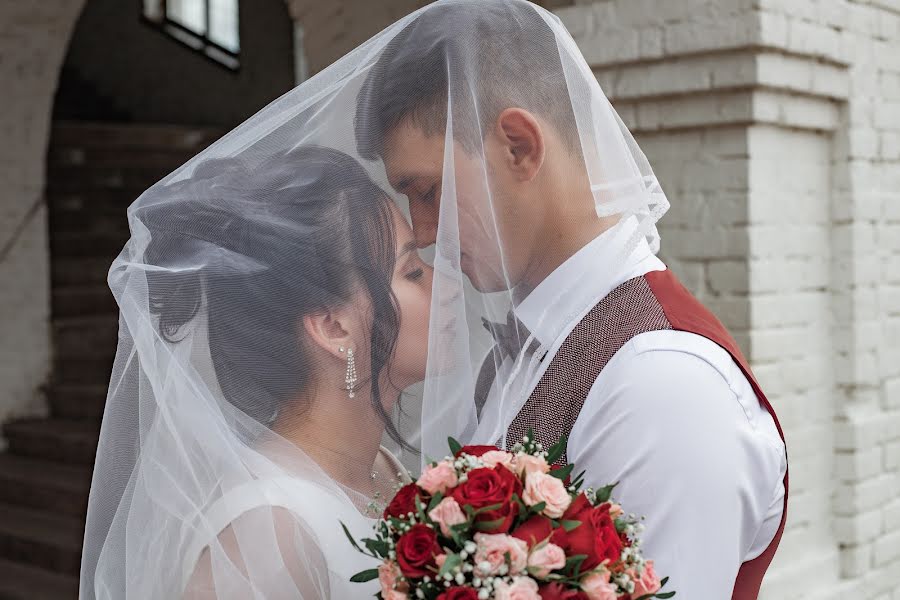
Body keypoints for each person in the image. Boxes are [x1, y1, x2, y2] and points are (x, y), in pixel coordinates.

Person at [354, 1, 788, 598]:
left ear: (519, 146)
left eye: (429, 191)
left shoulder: (661, 386)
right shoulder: (533, 339)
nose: (424, 231)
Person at [79, 146, 433, 598]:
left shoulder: (381, 468)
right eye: (413, 273)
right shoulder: (267, 530)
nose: (443, 284)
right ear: (332, 326)